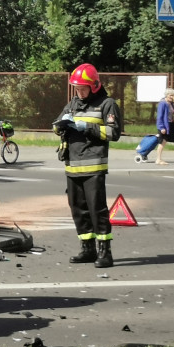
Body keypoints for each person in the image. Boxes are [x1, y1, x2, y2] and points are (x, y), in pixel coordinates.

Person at [53, 63, 122, 268]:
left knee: (97, 209)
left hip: (94, 166)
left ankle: (105, 252)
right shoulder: (73, 104)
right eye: (77, 88)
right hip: (72, 165)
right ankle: (87, 248)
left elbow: (113, 133)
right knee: (78, 209)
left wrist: (87, 127)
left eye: (83, 88)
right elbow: (56, 126)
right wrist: (60, 125)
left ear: (94, 86)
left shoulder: (107, 104)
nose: (79, 92)